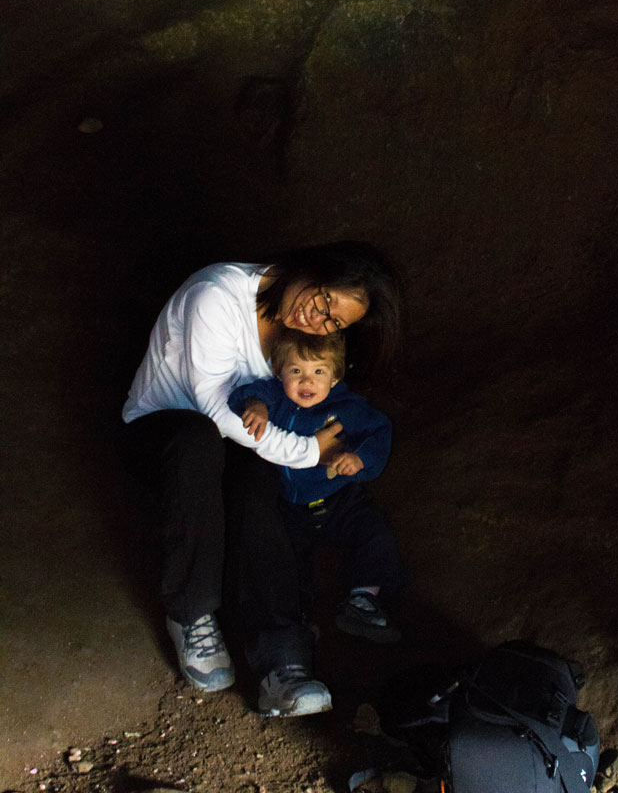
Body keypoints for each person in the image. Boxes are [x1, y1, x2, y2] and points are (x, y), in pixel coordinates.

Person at [120, 241, 401, 718]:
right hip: (166, 437)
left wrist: (330, 456)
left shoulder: (305, 339)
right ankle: (192, 612)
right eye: (326, 299)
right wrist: (311, 451)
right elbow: (215, 411)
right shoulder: (218, 295)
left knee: (263, 482)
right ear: (312, 267)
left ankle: (283, 661)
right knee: (198, 439)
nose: (318, 320)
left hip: (240, 447)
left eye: (335, 323)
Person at [228, 329, 405, 651]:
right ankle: (300, 620)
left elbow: (379, 431)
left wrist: (359, 458)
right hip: (290, 506)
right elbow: (246, 393)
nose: (306, 381)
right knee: (288, 561)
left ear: (335, 378)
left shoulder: (349, 407)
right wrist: (256, 406)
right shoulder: (275, 396)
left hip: (342, 499)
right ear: (280, 372)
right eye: (296, 371)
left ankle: (363, 599)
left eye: (318, 371)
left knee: (374, 533)